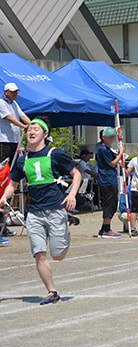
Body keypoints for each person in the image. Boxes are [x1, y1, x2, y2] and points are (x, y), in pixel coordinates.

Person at [0, 117, 82, 305]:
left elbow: (76, 174)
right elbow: (13, 183)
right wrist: (5, 196)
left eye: (36, 129)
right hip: (34, 212)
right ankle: (52, 292)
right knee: (39, 252)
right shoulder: (23, 159)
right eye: (29, 129)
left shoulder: (55, 154)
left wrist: (72, 195)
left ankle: (68, 224)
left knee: (58, 256)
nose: (31, 132)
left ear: (45, 134)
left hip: (55, 209)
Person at [0, 83, 30, 238]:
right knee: (4, 177)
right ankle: (2, 224)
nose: (15, 94)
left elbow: (22, 114)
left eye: (16, 92)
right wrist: (24, 126)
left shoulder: (15, 103)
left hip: (14, 142)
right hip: (4, 141)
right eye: (12, 92)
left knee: (12, 177)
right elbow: (10, 118)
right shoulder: (1, 102)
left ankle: (5, 223)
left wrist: (32, 125)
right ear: (6, 92)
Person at [95, 127, 124, 238]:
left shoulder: (108, 148)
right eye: (110, 137)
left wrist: (120, 141)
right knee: (109, 204)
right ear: (104, 137)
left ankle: (104, 228)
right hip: (106, 180)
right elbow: (112, 163)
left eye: (113, 137)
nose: (112, 139)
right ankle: (106, 229)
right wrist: (120, 153)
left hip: (111, 178)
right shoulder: (103, 149)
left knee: (113, 204)